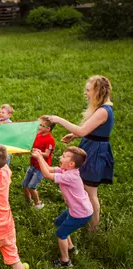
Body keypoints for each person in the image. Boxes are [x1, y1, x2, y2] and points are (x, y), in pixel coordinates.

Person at [47, 75, 114, 232]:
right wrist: (75, 135)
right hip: (90, 147)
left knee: (91, 192)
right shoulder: (99, 108)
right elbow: (89, 130)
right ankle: (81, 214)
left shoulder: (104, 111)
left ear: (98, 91)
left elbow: (83, 129)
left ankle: (93, 229)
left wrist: (59, 120)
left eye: (88, 90)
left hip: (96, 152)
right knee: (83, 187)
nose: (86, 93)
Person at [32, 146, 93, 267]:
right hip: (76, 209)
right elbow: (48, 169)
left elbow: (47, 175)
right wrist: (40, 155)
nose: (60, 157)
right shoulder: (66, 170)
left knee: (60, 234)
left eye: (64, 156)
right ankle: (70, 247)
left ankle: (65, 261)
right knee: (59, 222)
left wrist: (39, 158)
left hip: (80, 214)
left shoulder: (71, 177)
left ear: (71, 163)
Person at [22, 116, 56, 209]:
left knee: (31, 187)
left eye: (41, 125)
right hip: (32, 164)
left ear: (48, 129)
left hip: (41, 167)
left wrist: (38, 152)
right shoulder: (38, 135)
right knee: (25, 185)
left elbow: (47, 154)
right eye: (39, 124)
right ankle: (28, 202)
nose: (39, 127)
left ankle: (38, 203)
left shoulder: (50, 140)